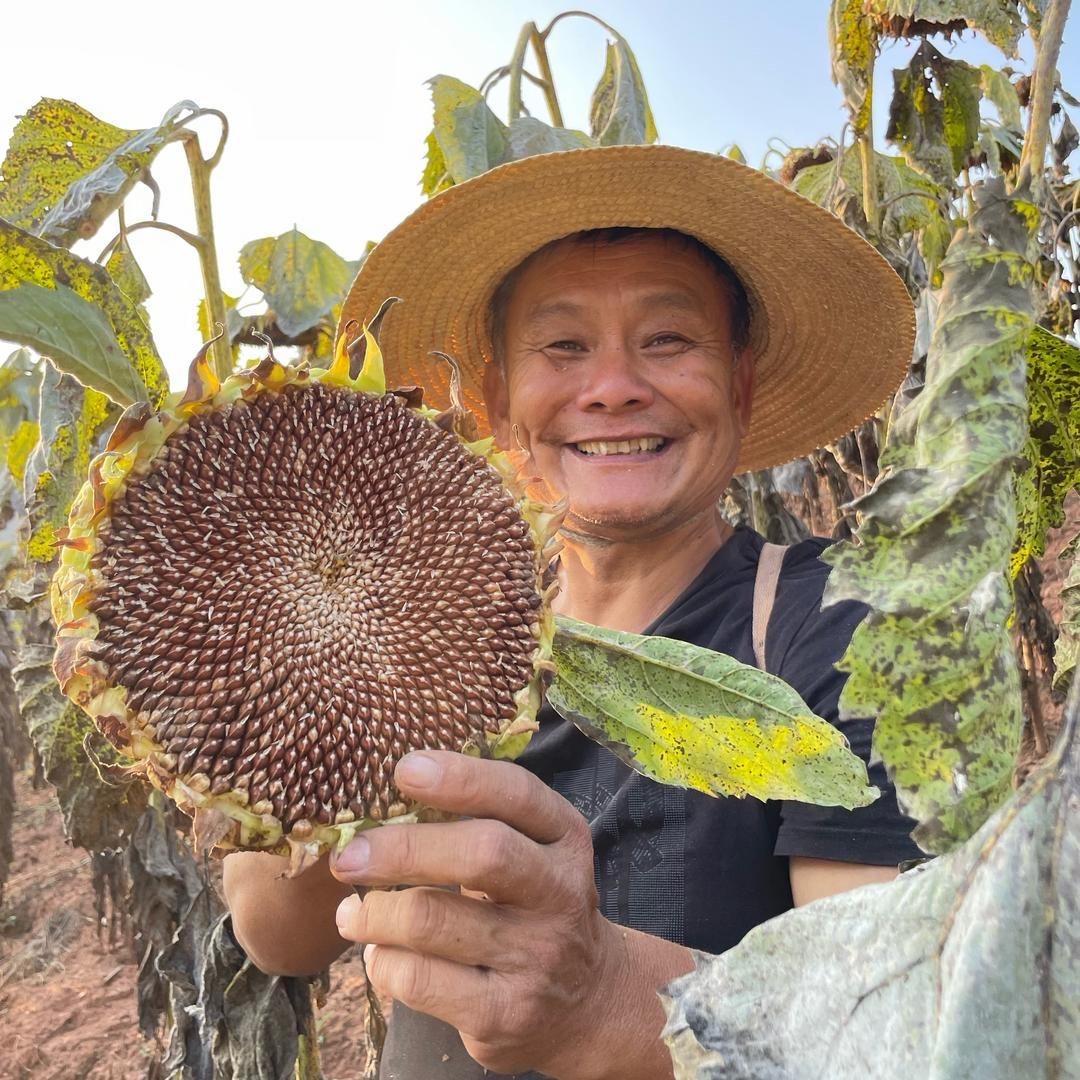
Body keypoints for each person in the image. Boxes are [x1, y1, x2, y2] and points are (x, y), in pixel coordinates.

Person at [223, 144, 922, 1080]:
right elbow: (278, 937)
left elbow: (881, 1033)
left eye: (668, 340)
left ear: (740, 383)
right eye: (562, 347)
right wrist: (311, 673)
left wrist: (603, 999)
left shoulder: (846, 626)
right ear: (497, 398)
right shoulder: (424, 623)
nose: (613, 385)